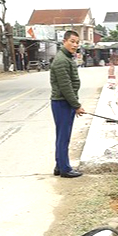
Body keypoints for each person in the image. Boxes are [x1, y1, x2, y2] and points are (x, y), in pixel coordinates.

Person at [50, 30, 85, 178]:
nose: (75, 45)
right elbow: (66, 87)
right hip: (62, 103)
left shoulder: (67, 57)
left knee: (62, 136)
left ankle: (59, 165)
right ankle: (65, 169)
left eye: (77, 42)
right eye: (72, 41)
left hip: (64, 102)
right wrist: (76, 105)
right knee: (63, 137)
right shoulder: (61, 60)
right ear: (64, 41)